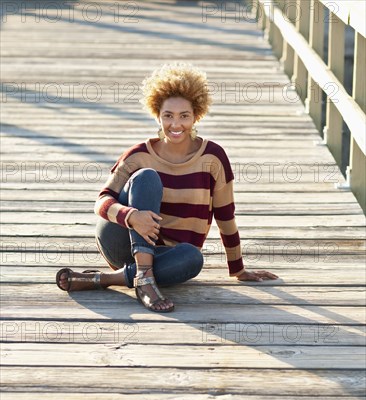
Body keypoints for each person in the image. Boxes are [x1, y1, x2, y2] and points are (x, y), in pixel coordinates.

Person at [56, 63, 278, 312]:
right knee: (147, 177)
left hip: (170, 258)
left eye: (184, 115)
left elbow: (225, 216)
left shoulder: (213, 158)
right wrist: (132, 216)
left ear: (196, 115)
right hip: (122, 243)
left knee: (193, 258)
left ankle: (108, 279)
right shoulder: (139, 154)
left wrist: (238, 268)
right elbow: (102, 200)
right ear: (157, 114)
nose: (176, 124)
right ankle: (143, 276)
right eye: (168, 115)